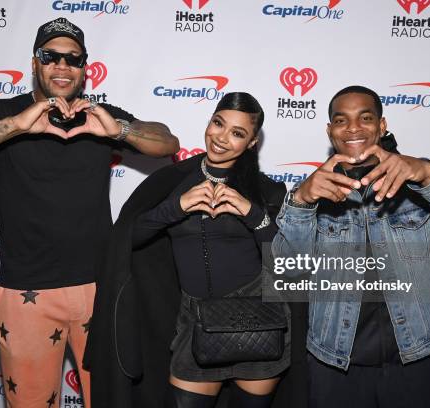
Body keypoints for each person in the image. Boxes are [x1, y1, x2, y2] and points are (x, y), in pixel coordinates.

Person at [0, 17, 179, 408]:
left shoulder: (98, 115)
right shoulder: (2, 111)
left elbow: (167, 142)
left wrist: (118, 131)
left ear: (84, 67)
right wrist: (13, 126)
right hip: (27, 294)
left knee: (111, 400)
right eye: (51, 56)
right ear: (35, 62)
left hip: (100, 289)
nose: (62, 66)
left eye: (72, 59)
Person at [272, 85, 430, 408]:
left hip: (413, 357)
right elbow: (288, 270)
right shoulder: (313, 191)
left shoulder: (418, 181)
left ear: (382, 125)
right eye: (341, 120)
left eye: (365, 118)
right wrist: (301, 202)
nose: (353, 129)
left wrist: (428, 173)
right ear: (329, 130)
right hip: (335, 362)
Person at [85, 92, 296, 407]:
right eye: (218, 123)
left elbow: (288, 262)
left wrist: (253, 214)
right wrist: (174, 209)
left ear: (252, 143)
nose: (221, 138)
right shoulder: (171, 181)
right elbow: (127, 241)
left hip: (258, 322)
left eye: (237, 133)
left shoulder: (266, 190)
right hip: (193, 322)